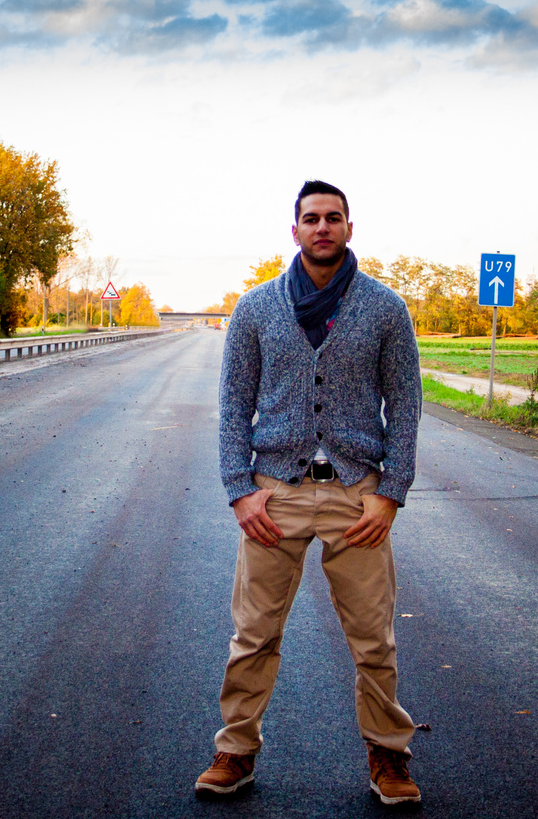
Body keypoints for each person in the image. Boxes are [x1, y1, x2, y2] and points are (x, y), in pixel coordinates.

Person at [196, 179, 423, 806]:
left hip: (358, 495)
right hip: (276, 492)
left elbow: (405, 406)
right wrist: (240, 490)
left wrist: (391, 493)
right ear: (294, 229)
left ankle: (389, 756)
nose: (323, 227)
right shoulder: (255, 308)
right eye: (311, 218)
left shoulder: (385, 308)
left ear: (350, 227)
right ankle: (235, 751)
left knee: (373, 637)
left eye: (334, 218)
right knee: (254, 633)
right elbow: (232, 406)